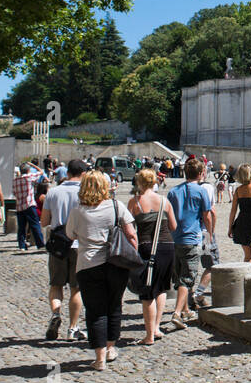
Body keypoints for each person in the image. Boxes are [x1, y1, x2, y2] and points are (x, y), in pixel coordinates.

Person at [66, 171, 138, 370]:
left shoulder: (77, 212)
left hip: (88, 264)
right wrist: (134, 257)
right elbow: (131, 234)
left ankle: (99, 358)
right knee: (114, 305)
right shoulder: (117, 206)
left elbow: (70, 234)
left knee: (95, 311)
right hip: (116, 263)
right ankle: (110, 347)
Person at [42, 158, 88, 341]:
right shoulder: (86, 193)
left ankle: (55, 314)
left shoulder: (53, 192)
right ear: (83, 174)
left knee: (56, 285)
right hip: (79, 244)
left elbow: (44, 222)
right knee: (76, 288)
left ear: (67, 172)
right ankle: (72, 328)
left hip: (58, 244)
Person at [129, 168, 176, 344]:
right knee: (162, 287)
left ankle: (149, 336)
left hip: (146, 247)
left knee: (147, 290)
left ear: (139, 182)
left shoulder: (135, 202)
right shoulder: (164, 201)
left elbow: (130, 229)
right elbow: (173, 226)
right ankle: (156, 327)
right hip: (167, 246)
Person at [167, 157, 214, 329]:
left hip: (175, 239)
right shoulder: (201, 191)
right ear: (201, 174)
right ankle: (177, 313)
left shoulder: (173, 192)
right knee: (187, 279)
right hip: (192, 238)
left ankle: (186, 310)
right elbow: (207, 215)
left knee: (179, 276)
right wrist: (210, 233)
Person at [13, 163, 45, 252]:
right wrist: (32, 165)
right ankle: (40, 244)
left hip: (19, 205)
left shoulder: (15, 180)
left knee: (21, 227)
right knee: (35, 225)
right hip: (29, 204)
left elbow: (14, 193)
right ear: (28, 170)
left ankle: (22, 245)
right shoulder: (28, 177)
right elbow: (41, 172)